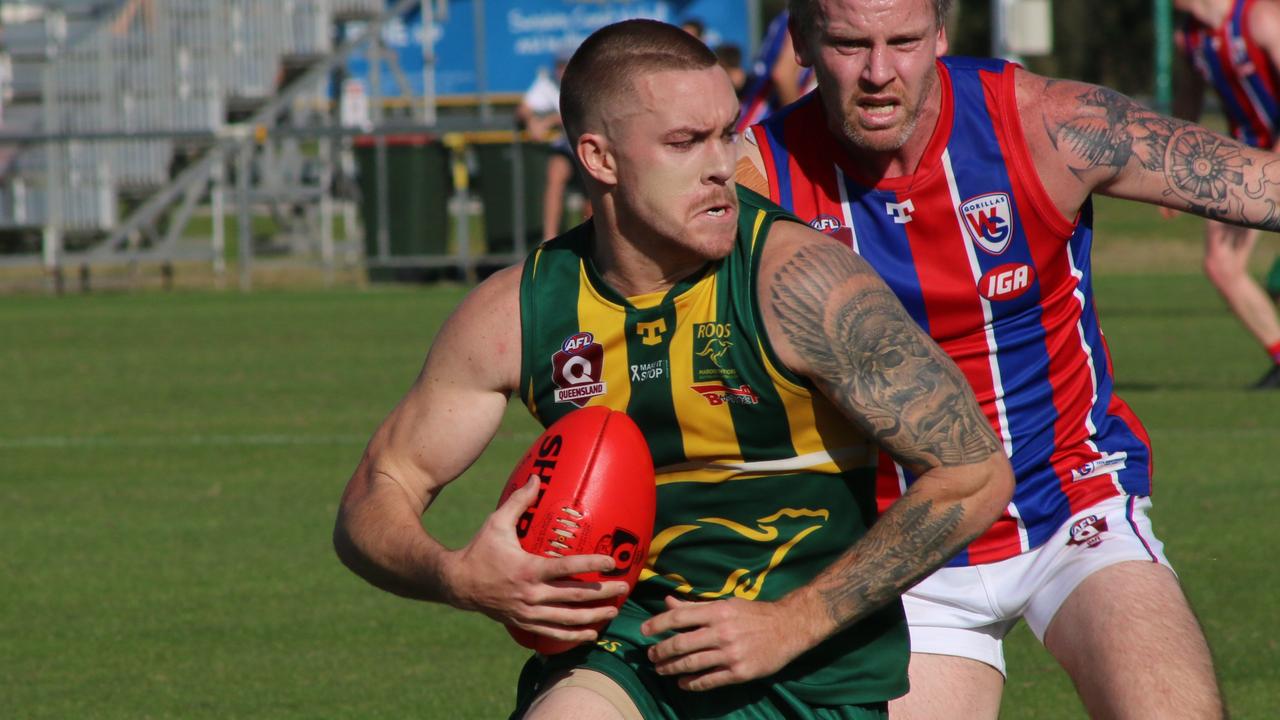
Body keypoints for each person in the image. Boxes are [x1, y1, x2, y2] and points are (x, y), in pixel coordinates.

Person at [334, 18, 1013, 720]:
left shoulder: (804, 286)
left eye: (725, 133)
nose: (723, 164)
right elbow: (378, 490)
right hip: (620, 659)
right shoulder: (517, 313)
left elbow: (974, 472)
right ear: (599, 159)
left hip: (808, 678)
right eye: (685, 143)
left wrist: (793, 623)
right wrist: (456, 575)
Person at [736, 0, 1236, 717]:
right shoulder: (753, 182)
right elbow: (586, 307)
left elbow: (1259, 181)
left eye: (904, 41)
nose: (880, 72)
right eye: (849, 43)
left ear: (941, 32)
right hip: (900, 546)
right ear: (802, 42)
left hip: (1072, 506)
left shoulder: (1040, 123)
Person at [1173, 0, 1280, 388]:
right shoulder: (1189, 36)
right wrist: (1169, 166)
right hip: (1246, 163)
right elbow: (1188, 100)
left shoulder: (1260, 17)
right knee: (1221, 264)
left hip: (1269, 160)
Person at [514, 54, 586, 241]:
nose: (561, 71)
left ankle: (589, 239)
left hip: (588, 146)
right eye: (559, 66)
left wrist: (547, 121)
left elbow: (577, 114)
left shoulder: (586, 80)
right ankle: (549, 239)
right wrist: (530, 120)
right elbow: (523, 108)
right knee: (555, 175)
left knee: (591, 198)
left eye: (565, 66)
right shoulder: (548, 83)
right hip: (568, 146)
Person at [736, 10, 816, 134]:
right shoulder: (807, 16)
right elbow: (783, 75)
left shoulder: (790, 14)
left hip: (751, 118)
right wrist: (804, 128)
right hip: (763, 123)